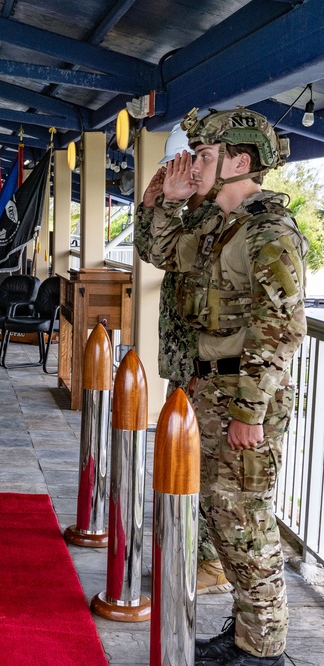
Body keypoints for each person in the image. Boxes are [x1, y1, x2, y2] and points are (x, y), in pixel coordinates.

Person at [148, 107, 305, 666]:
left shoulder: (270, 232)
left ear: (241, 163)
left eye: (207, 158)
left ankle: (265, 650)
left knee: (245, 519)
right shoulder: (219, 226)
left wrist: (250, 410)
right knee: (221, 515)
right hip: (212, 390)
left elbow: (280, 327)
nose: (195, 167)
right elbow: (161, 251)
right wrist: (168, 197)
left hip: (244, 396)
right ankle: (244, 632)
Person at [134, 125, 230, 596]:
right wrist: (152, 205)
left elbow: (170, 255)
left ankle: (210, 563)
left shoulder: (218, 217)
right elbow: (151, 252)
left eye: (196, 162)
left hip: (207, 364)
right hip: (185, 359)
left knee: (208, 472)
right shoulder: (190, 211)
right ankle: (196, 553)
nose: (189, 171)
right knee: (188, 463)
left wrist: (168, 207)